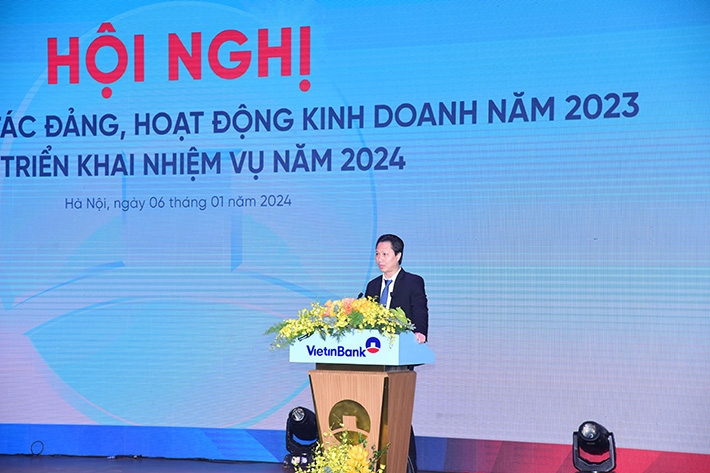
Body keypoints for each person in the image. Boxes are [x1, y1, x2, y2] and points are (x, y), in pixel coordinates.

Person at [364, 234, 429, 473]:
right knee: (376, 412)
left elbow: (420, 309)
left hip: (399, 357)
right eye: (377, 254)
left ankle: (406, 463)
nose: (380, 259)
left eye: (385, 254)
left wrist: (420, 332)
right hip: (373, 358)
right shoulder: (372, 286)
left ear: (398, 256)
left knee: (396, 412)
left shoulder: (412, 282)